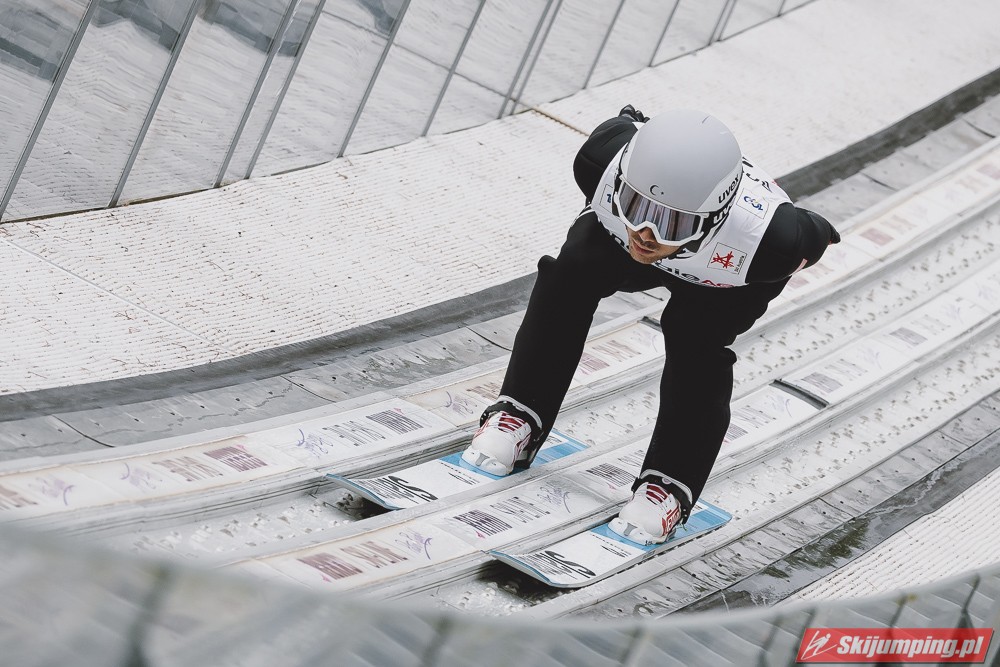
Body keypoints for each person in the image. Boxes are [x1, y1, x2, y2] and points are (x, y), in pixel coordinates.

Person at [461, 106, 839, 545]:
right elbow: (628, 127)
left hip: (724, 273)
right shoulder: (599, 160)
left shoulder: (774, 243)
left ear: (714, 215)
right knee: (568, 276)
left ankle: (669, 486)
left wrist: (823, 234)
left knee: (695, 341)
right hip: (614, 240)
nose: (645, 233)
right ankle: (520, 413)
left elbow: (819, 233)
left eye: (671, 222)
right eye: (636, 205)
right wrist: (652, 216)